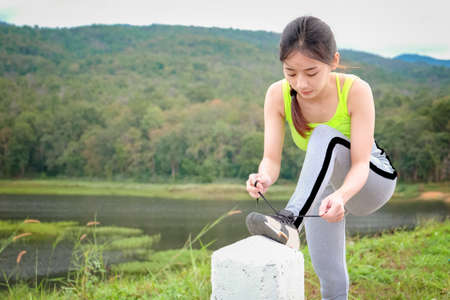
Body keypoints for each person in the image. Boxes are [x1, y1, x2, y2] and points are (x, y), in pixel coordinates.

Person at [245, 16, 398, 300]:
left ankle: (289, 222)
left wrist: (342, 196)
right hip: (322, 190)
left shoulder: (355, 90)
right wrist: (263, 176)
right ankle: (292, 223)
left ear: (334, 61)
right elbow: (271, 160)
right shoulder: (276, 95)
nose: (300, 83)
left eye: (311, 72)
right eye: (290, 72)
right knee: (329, 273)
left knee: (324, 136)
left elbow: (361, 163)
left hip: (371, 183)